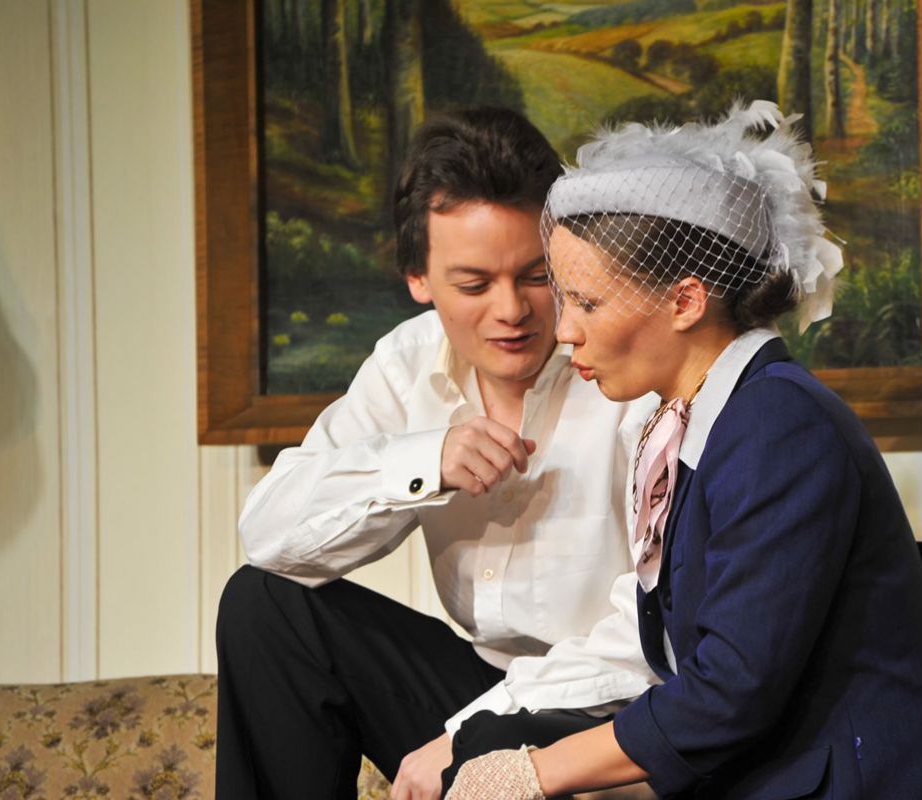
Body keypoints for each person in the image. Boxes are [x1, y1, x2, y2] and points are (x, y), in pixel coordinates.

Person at [447, 101, 922, 799]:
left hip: (834, 787)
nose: (565, 332)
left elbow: (731, 689)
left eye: (588, 304)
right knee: (479, 742)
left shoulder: (778, 423)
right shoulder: (698, 422)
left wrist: (536, 771)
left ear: (685, 301)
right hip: (751, 775)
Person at [214, 107, 660, 799]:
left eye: (536, 275)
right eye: (474, 285)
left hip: (615, 722)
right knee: (263, 604)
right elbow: (270, 535)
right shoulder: (406, 364)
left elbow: (658, 635)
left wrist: (469, 731)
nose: (511, 310)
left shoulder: (634, 377)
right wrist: (422, 464)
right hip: (483, 689)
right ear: (417, 279)